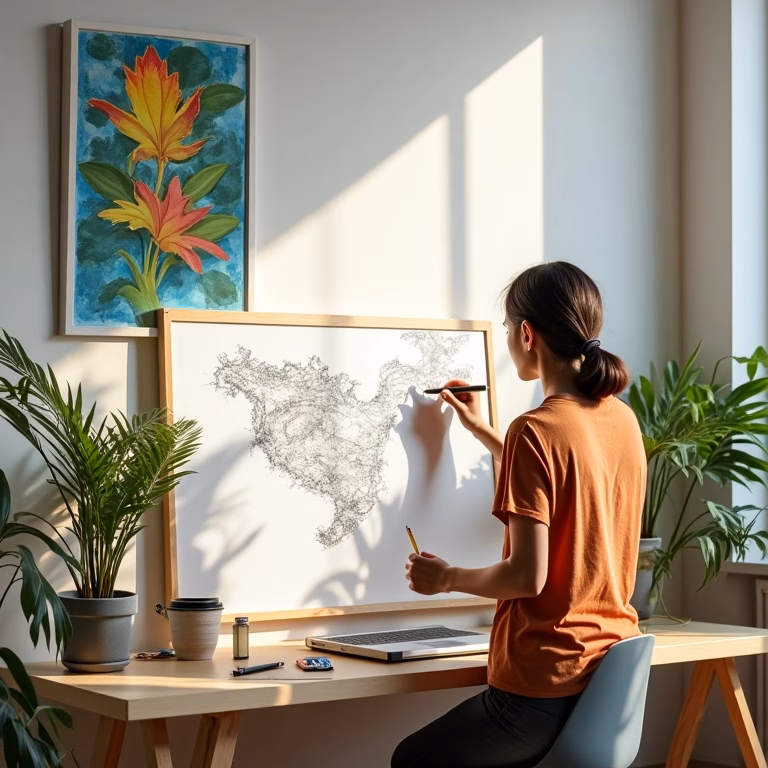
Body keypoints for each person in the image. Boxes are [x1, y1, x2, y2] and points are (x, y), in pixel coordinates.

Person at [391, 261, 646, 768]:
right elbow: (567, 473)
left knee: (411, 760)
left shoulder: (535, 431)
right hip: (606, 674)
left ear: (526, 333)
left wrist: (446, 579)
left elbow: (527, 577)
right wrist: (485, 432)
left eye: (508, 329)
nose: (508, 338)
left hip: (539, 690)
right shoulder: (621, 417)